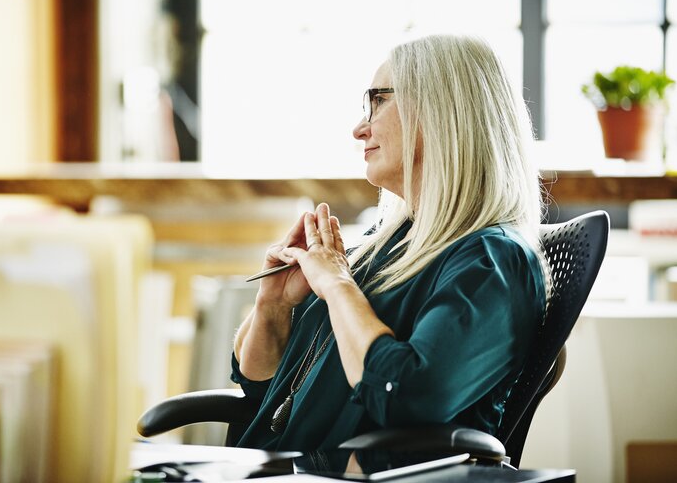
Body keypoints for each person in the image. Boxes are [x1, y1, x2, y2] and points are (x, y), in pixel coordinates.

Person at [231, 34, 549, 451]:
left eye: (378, 100)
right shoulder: (387, 246)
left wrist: (339, 286)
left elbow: (404, 396)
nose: (359, 128)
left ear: (443, 112)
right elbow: (261, 389)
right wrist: (272, 307)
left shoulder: (492, 261)